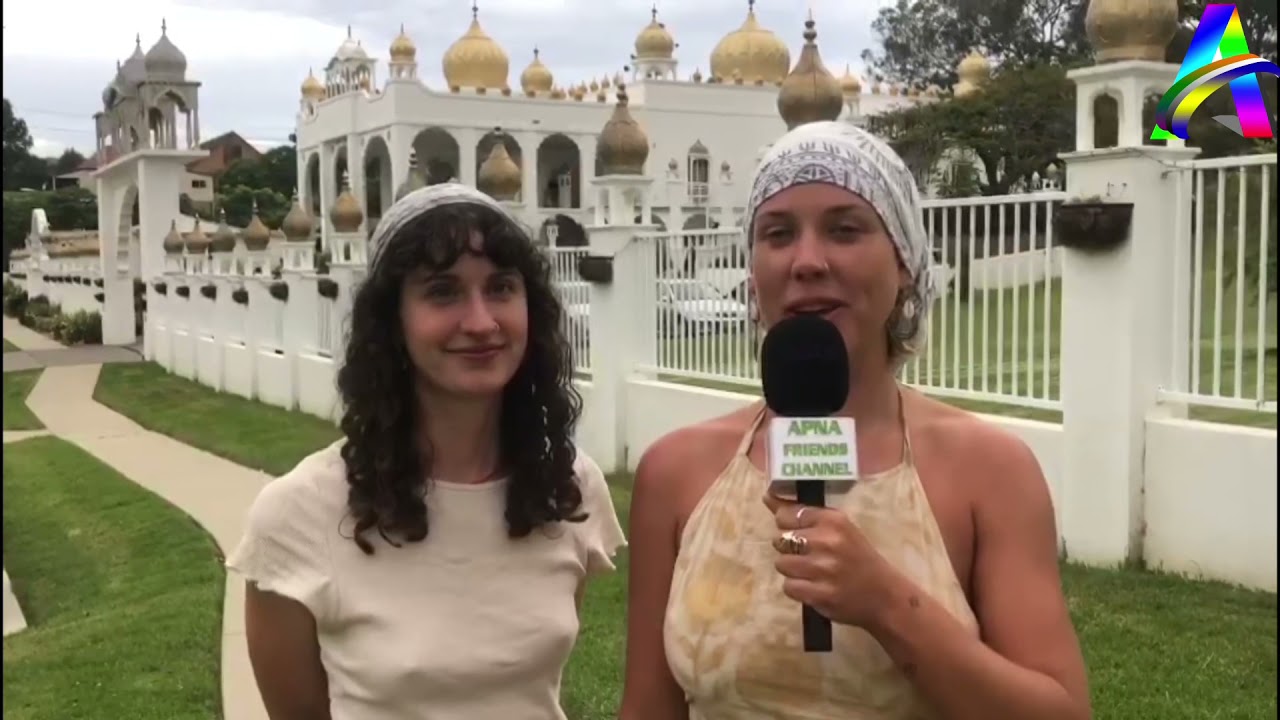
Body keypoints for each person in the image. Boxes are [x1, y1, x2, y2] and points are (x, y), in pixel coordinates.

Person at [619, 122, 1091, 720]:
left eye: (845, 230)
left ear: (905, 265)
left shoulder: (988, 472)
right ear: (752, 272)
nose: (807, 261)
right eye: (778, 234)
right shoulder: (675, 472)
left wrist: (885, 602)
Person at [226, 183, 626, 720]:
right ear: (392, 322)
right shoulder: (297, 514)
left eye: (502, 288)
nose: (482, 322)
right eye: (443, 291)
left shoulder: (569, 487)